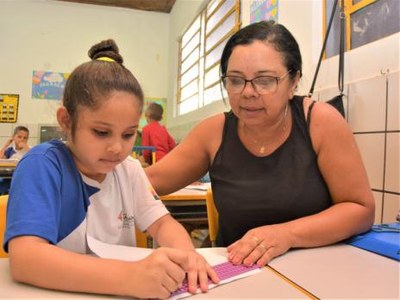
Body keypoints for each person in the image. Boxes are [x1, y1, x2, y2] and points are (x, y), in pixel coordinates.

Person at [145, 21, 375, 267]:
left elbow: (360, 208)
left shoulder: (320, 122)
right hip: (237, 271)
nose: (248, 92)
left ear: (294, 81)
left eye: (264, 80)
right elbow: (144, 182)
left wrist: (286, 234)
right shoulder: (213, 132)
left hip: (315, 269)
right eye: (235, 80)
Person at [3, 39, 218, 299]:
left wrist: (188, 256)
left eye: (128, 135)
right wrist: (129, 277)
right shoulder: (42, 165)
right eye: (101, 132)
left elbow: (163, 224)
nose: (117, 148)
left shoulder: (129, 170)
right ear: (66, 121)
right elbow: (26, 259)